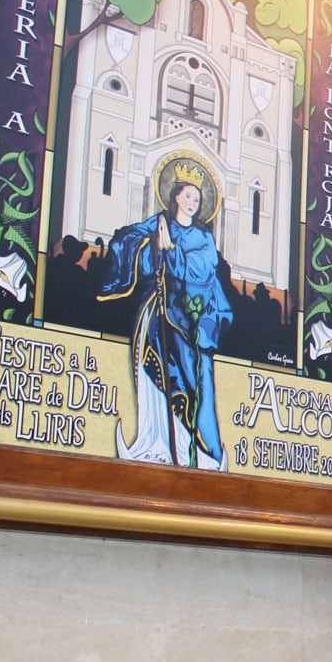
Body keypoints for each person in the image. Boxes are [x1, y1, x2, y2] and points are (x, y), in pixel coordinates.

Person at [99, 166, 232, 469]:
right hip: (158, 315)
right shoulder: (158, 224)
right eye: (187, 196)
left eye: (197, 199)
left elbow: (203, 269)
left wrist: (171, 251)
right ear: (175, 197)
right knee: (154, 374)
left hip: (190, 320)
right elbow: (128, 241)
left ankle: (199, 454)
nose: (192, 203)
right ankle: (158, 442)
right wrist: (150, 247)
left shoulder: (203, 237)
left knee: (194, 381)